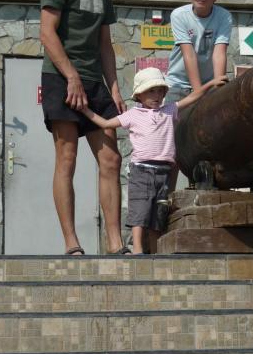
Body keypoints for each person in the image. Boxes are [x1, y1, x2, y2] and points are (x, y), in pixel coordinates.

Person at [39, 0, 129, 255]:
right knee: (67, 157)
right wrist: (72, 76)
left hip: (95, 82)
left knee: (111, 160)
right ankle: (71, 242)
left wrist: (115, 88)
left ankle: (116, 243)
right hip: (61, 78)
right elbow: (47, 34)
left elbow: (105, 44)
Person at [83, 67, 227, 254]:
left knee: (159, 213)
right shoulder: (133, 115)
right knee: (140, 210)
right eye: (151, 90)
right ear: (139, 95)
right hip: (142, 171)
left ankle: (156, 250)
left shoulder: (169, 110)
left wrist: (210, 83)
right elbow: (105, 124)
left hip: (164, 172)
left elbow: (193, 97)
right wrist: (84, 110)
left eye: (160, 90)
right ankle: (137, 249)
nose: (157, 95)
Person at [166, 0, 232, 104]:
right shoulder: (179, 15)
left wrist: (218, 89)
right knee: (168, 122)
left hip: (209, 83)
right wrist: (198, 93)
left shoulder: (224, 16)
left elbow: (219, 54)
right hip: (178, 83)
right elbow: (188, 55)